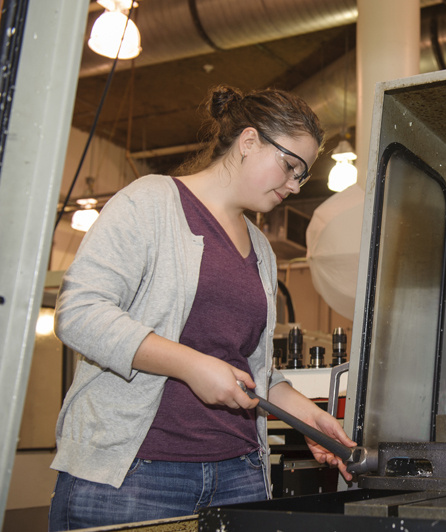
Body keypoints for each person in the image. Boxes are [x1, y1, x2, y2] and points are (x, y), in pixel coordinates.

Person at [48, 85, 356, 531]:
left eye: (302, 177)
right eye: (290, 166)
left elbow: (248, 368)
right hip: (135, 477)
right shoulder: (150, 202)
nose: (293, 184)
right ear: (248, 142)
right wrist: (189, 365)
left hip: (239, 474)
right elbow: (79, 310)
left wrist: (305, 412)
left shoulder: (262, 250)